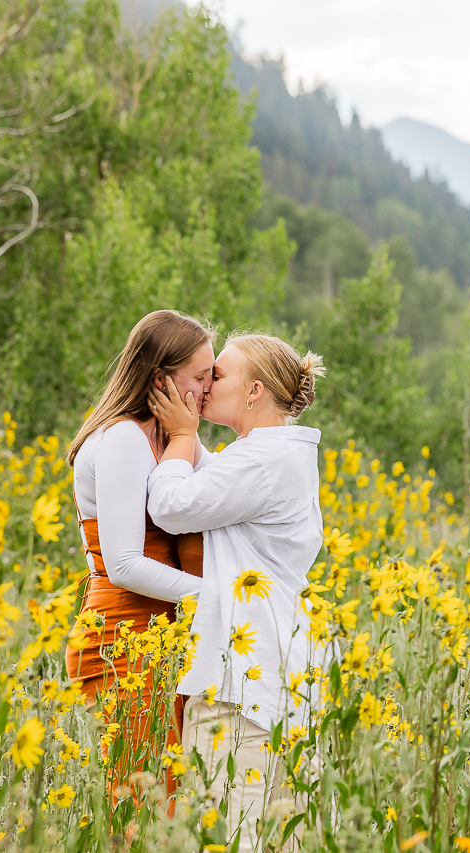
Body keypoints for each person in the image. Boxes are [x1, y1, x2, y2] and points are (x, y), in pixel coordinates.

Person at [147, 333, 325, 851]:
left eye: (217, 376)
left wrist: (181, 437)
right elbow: (214, 476)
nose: (203, 387)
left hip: (243, 688)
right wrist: (191, 438)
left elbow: (173, 506)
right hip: (268, 672)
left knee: (231, 833)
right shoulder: (262, 455)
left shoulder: (264, 462)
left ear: (255, 392)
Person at [65, 309, 215, 786]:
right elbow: (126, 564)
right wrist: (212, 597)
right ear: (161, 379)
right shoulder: (125, 438)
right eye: (201, 375)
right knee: (139, 799)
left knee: (164, 797)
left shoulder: (169, 436)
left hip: (160, 636)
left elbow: (222, 490)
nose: (209, 386)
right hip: (120, 634)